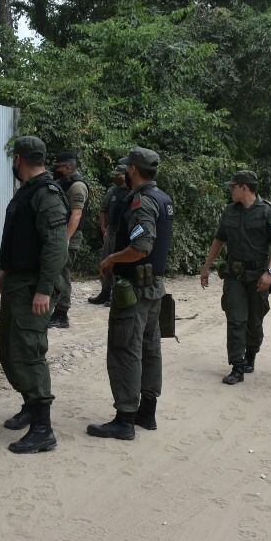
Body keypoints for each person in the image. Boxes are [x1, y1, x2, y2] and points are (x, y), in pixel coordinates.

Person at [87, 147, 173, 440]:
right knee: (149, 349)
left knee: (125, 350)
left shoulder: (141, 202)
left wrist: (111, 259)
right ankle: (146, 413)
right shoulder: (163, 198)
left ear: (133, 170)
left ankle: (125, 418)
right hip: (152, 287)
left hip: (134, 289)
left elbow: (141, 246)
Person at [0, 137, 69, 453]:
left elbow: (55, 246)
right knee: (9, 352)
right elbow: (21, 239)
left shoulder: (47, 194)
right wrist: (5, 269)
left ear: (19, 158)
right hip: (17, 283)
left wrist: (44, 290)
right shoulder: (27, 191)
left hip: (32, 288)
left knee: (29, 353)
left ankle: (43, 428)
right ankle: (29, 405)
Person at [198, 170, 271, 385]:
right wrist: (206, 267)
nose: (230, 190)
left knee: (254, 321)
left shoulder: (267, 212)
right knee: (236, 319)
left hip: (258, 276)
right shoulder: (229, 211)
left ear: (244, 187)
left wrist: (270, 272)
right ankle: (237, 366)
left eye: (233, 186)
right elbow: (219, 241)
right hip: (234, 275)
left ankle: (251, 355)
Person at [48, 151, 89, 329]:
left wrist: (65, 239)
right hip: (61, 236)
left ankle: (61, 314)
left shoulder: (77, 186)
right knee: (57, 273)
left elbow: (76, 214)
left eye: (59, 167)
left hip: (69, 237)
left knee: (63, 273)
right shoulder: (64, 184)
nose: (56, 169)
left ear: (68, 167)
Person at [87, 161, 129, 306]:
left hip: (124, 233)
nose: (116, 177)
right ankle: (105, 292)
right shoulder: (112, 191)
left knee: (119, 263)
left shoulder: (133, 191)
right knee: (105, 261)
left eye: (119, 175)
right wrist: (103, 227)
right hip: (111, 231)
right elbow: (103, 210)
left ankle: (117, 294)